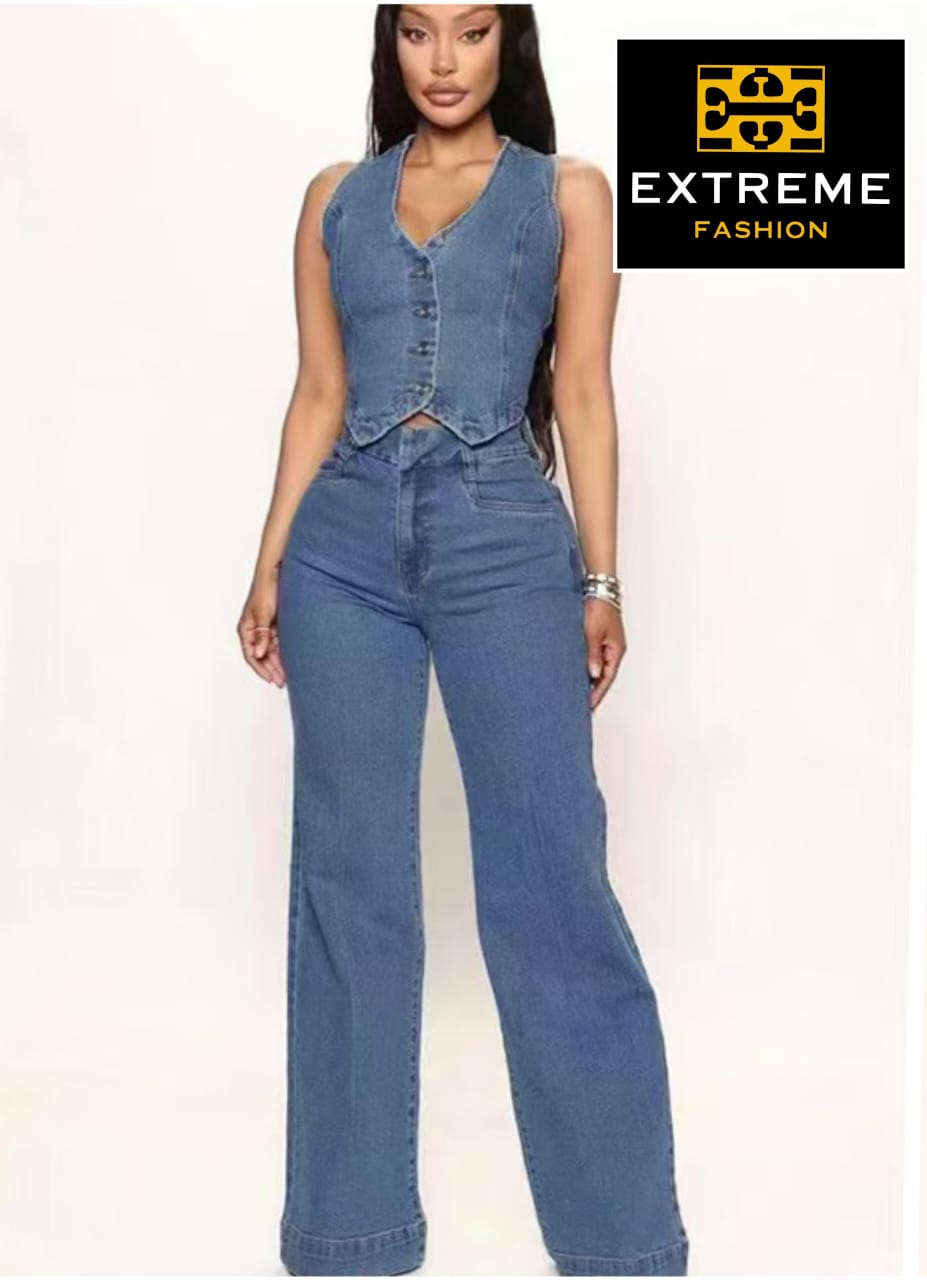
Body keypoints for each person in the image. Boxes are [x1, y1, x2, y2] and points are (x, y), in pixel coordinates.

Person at [237, 5, 689, 1275]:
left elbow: (584, 390)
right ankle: (349, 1239)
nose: (444, 61)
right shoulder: (334, 198)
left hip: (503, 539)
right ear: (390, 45)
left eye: (473, 32)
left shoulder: (570, 193)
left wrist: (602, 579)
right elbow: (319, 392)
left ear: (508, 45)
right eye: (419, 33)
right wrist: (269, 561)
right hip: (340, 550)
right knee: (349, 887)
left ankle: (622, 1250)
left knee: (551, 881)